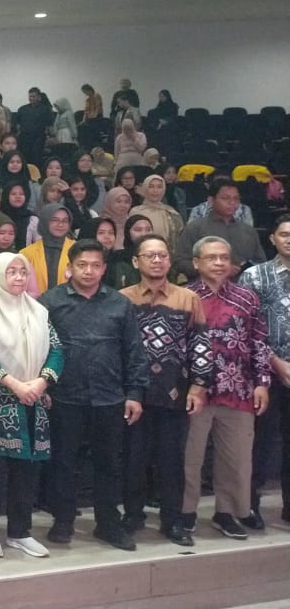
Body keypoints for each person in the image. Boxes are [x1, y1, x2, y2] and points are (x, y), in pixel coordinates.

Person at [40, 239, 149, 551]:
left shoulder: (118, 303)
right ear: (69, 268)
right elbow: (39, 348)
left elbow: (133, 351)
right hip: (64, 397)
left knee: (109, 465)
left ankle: (108, 524)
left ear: (104, 268)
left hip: (110, 397)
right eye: (82, 265)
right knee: (63, 462)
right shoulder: (50, 301)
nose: (89, 271)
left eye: (96, 265)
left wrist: (135, 392)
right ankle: (62, 521)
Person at [0, 253, 64, 558]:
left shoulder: (38, 310)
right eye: (12, 272)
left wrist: (41, 382)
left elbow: (57, 349)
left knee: (27, 468)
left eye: (23, 272)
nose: (19, 278)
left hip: (33, 399)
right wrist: (15, 384)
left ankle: (20, 531)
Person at [119, 234, 213, 546]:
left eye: (162, 255)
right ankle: (132, 515)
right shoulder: (122, 299)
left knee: (173, 462)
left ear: (170, 261)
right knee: (133, 459)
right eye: (149, 255)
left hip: (176, 394)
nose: (157, 260)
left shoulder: (188, 298)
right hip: (134, 396)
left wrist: (199, 386)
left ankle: (173, 521)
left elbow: (200, 345)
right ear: (136, 261)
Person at [182, 236, 273, 539]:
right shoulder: (184, 296)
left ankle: (228, 512)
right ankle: (185, 512)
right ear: (196, 263)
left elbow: (259, 343)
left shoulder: (247, 298)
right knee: (189, 456)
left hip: (239, 389)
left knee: (236, 458)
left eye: (223, 257)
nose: (219, 263)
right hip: (195, 392)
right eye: (211, 258)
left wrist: (262, 383)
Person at [239, 214, 290, 525]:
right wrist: (276, 362)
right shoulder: (254, 276)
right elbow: (247, 328)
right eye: (284, 234)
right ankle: (250, 505)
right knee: (259, 442)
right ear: (272, 238)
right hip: (264, 372)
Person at [175, 178, 266, 279]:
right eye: (225, 198)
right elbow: (181, 263)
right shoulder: (195, 228)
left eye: (236, 198)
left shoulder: (248, 230)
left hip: (243, 289)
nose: (232, 202)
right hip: (205, 289)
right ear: (211, 200)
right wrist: (215, 269)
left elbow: (260, 263)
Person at [18, 203, 75, 296]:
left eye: (65, 221)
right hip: (36, 306)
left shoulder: (78, 250)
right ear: (45, 221)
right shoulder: (26, 253)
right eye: (54, 220)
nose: (60, 224)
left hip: (70, 307)